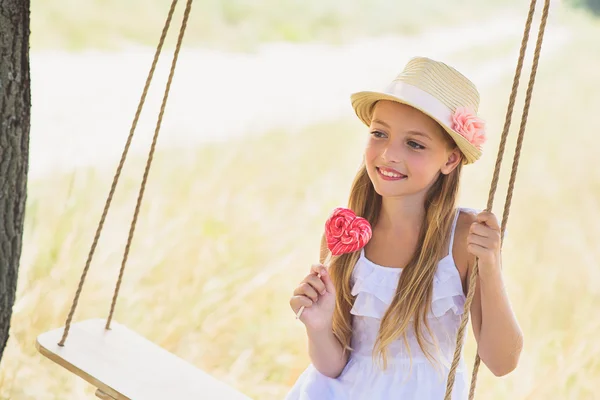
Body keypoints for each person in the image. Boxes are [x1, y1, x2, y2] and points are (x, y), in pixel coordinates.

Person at [286, 57, 523, 399]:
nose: (388, 154)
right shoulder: (346, 234)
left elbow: (502, 362)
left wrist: (489, 267)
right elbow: (333, 365)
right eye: (379, 133)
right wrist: (318, 326)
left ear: (450, 159)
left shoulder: (464, 238)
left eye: (414, 144)